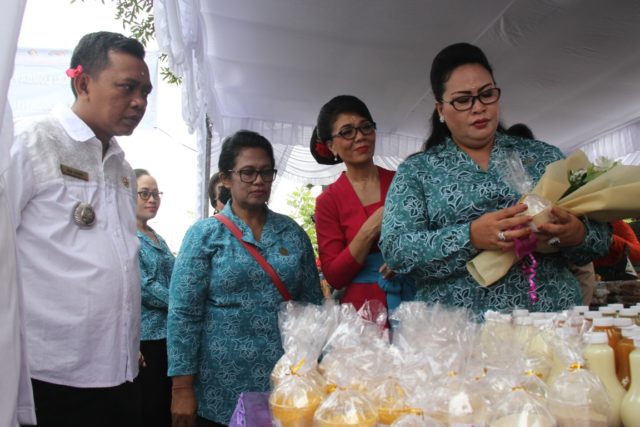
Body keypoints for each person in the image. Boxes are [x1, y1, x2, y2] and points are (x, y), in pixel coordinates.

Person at [380, 42, 611, 317]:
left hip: (550, 322)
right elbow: (397, 249)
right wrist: (471, 236)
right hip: (461, 333)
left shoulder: (545, 157)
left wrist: (576, 234)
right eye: (463, 100)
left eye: (487, 94)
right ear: (440, 109)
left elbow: (602, 237)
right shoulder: (418, 171)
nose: (478, 108)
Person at [6, 31, 152, 426]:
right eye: (127, 87)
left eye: (145, 91)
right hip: (53, 373)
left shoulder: (121, 165)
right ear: (83, 82)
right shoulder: (35, 144)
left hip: (120, 371)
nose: (139, 102)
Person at [168, 130, 323, 426]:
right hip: (218, 390)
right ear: (226, 178)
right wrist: (182, 389)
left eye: (266, 172)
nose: (259, 181)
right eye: (248, 173)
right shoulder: (204, 236)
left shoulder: (292, 233)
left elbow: (312, 310)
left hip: (284, 386)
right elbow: (183, 316)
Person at [311, 95, 414, 313]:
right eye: (347, 132)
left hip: (414, 298)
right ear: (332, 146)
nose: (360, 137)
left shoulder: (403, 181)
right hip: (362, 310)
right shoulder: (328, 202)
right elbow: (335, 276)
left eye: (365, 127)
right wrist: (370, 229)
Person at [506, 122, 599, 305]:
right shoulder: (514, 184)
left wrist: (575, 232)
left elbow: (590, 251)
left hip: (561, 287)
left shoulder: (549, 169)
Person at [134, 169, 174, 427]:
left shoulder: (157, 237)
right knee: (149, 405)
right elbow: (144, 286)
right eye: (144, 194)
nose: (152, 200)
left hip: (168, 334)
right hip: (146, 337)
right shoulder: (128, 236)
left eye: (155, 194)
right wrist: (180, 303)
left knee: (165, 404)